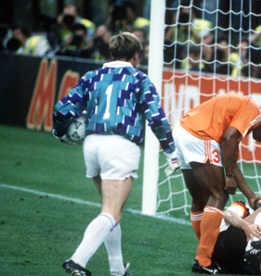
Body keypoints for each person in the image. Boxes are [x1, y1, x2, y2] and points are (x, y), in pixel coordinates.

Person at [52, 32, 180, 276]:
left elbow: (62, 108)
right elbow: (156, 118)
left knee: (112, 210)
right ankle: (77, 260)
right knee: (111, 211)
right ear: (135, 55)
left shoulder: (91, 76)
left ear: (112, 53)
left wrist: (59, 133)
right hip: (120, 145)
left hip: (92, 144)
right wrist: (170, 151)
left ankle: (117, 271)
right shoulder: (139, 78)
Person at [172, 93, 261, 274]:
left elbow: (231, 159)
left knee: (200, 197)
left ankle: (207, 253)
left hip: (182, 130)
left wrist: (250, 196)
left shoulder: (240, 118)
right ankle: (204, 259)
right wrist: (229, 176)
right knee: (219, 195)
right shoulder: (255, 113)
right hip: (200, 135)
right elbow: (227, 139)